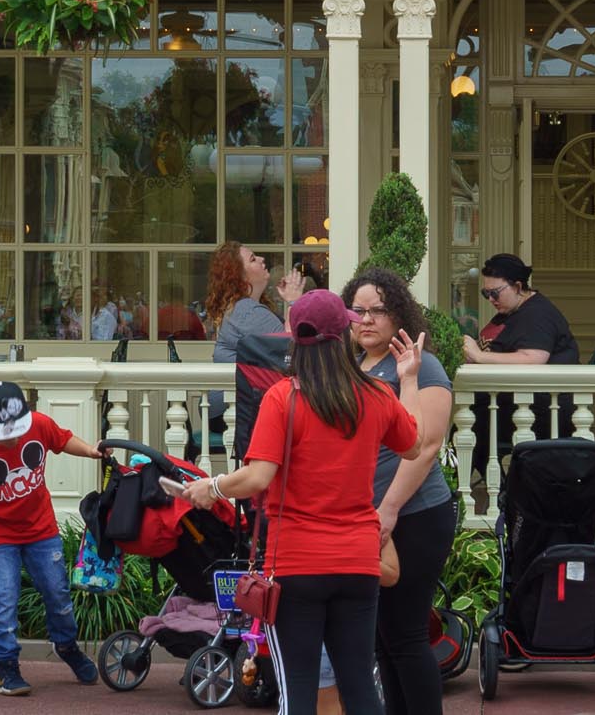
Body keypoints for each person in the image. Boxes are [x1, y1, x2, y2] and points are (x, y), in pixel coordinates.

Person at [168, 289, 422, 715]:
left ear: (295, 341)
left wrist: (209, 488)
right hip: (358, 562)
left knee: (298, 690)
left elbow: (258, 477)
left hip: (297, 564)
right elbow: (413, 444)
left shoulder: (283, 397)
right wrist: (409, 379)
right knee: (359, 684)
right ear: (343, 336)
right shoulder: (377, 395)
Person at [343, 267, 455, 715]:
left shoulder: (420, 363)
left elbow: (426, 446)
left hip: (414, 514)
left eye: (378, 310)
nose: (366, 320)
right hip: (366, 515)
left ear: (398, 315)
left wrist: (387, 510)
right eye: (358, 311)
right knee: (382, 635)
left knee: (406, 633)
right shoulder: (350, 364)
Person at [0, 380, 107, 694]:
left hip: (41, 529)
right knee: (3, 601)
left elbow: (63, 440)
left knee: (57, 594)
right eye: (4, 435)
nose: (11, 441)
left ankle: (66, 646)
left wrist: (91, 451)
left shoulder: (38, 424)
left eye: (16, 432)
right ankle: (5, 667)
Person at [459, 253, 578, 466]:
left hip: (538, 411)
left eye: (495, 293)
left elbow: (533, 358)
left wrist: (479, 356)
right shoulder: (511, 311)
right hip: (510, 405)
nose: (491, 300)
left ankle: (502, 492)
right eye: (486, 294)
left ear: (517, 286)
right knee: (465, 430)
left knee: (467, 433)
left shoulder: (537, 314)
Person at [209, 242, 291, 458]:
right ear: (240, 277)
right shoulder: (245, 310)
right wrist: (294, 302)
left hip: (233, 405)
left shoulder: (244, 308)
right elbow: (291, 348)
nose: (262, 260)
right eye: (253, 259)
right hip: (230, 409)